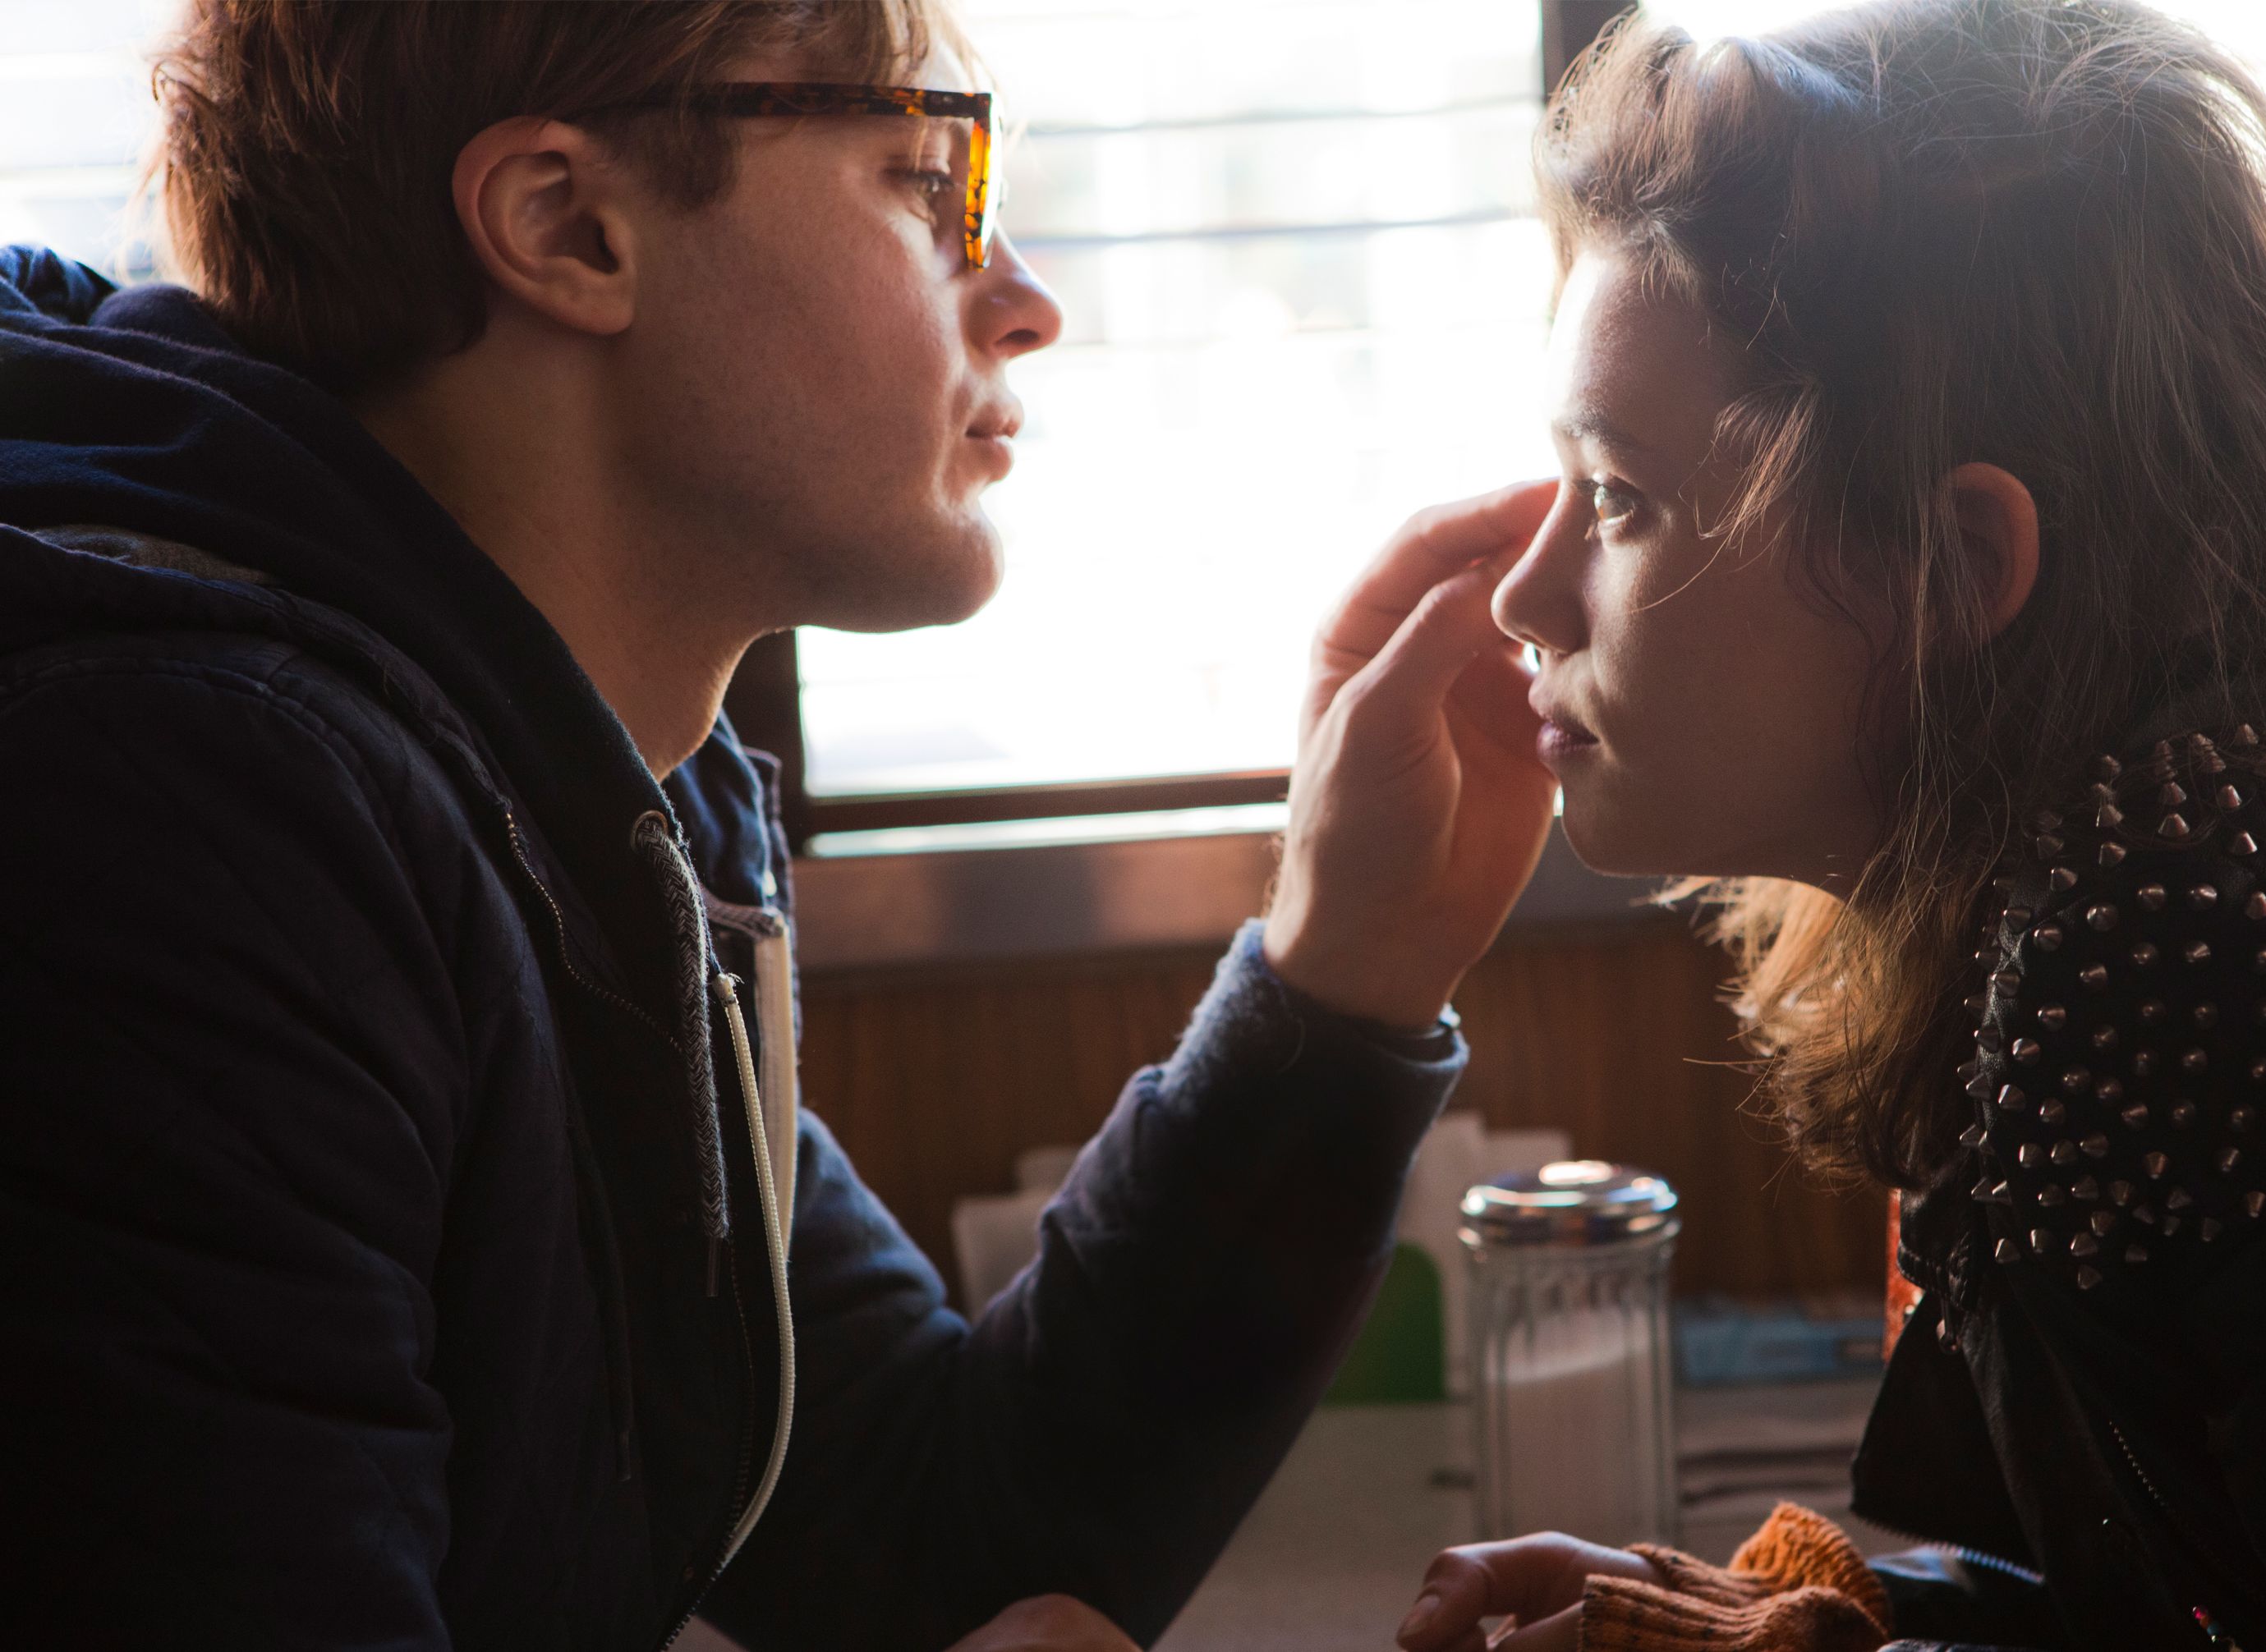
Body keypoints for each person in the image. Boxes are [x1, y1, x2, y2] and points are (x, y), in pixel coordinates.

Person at [0, 2, 1562, 1648]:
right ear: (568, 228)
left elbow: (931, 1539)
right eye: (925, 177)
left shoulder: (586, 776)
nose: (1026, 302)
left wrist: (1348, 965)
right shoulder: (180, 806)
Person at [1390, 3, 2266, 1650]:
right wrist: (1809, 1617)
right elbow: (2221, 1592)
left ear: (1960, 568)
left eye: (1617, 498)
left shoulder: (2174, 947)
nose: (1528, 594)